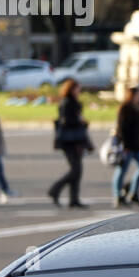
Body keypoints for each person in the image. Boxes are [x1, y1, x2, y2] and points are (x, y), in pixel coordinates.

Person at [49, 78, 92, 208]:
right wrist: (80, 121)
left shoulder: (74, 102)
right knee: (75, 170)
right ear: (71, 89)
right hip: (69, 141)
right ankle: (55, 189)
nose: (79, 90)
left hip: (76, 140)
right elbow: (66, 122)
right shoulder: (67, 103)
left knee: (77, 171)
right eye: (77, 88)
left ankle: (74, 199)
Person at [112, 85, 139, 208]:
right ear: (133, 95)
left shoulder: (138, 107)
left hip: (137, 145)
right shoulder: (125, 108)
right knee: (121, 171)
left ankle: (134, 193)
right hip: (127, 145)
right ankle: (118, 196)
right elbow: (121, 128)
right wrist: (125, 145)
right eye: (138, 94)